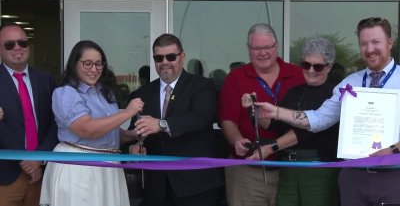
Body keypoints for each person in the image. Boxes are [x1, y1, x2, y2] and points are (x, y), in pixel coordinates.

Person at [252, 17, 400, 206]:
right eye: (364, 43)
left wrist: (393, 150)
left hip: (393, 176)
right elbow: (319, 119)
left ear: (389, 43)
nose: (369, 49)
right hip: (353, 177)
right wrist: (276, 112)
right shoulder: (350, 83)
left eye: (375, 42)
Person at [39, 40, 144, 206]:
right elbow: (86, 129)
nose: (94, 69)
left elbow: (108, 131)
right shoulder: (66, 93)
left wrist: (131, 135)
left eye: (98, 64)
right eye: (87, 64)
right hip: (79, 168)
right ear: (74, 64)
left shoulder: (104, 93)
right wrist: (128, 112)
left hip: (109, 168)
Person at [128, 33, 223, 206]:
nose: (165, 62)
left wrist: (161, 124)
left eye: (171, 56)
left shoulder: (202, 86)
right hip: (157, 189)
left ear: (182, 56)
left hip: (196, 187)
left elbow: (199, 118)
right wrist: (134, 148)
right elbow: (134, 133)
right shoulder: (143, 94)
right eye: (159, 58)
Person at [243, 37, 340, 206]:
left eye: (317, 66)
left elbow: (306, 130)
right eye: (305, 65)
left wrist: (271, 148)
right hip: (287, 165)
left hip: (317, 168)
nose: (310, 70)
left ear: (329, 67)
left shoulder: (334, 94)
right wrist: (254, 110)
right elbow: (274, 126)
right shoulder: (294, 92)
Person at [218, 23, 305, 206]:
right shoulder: (236, 78)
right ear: (249, 50)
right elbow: (227, 119)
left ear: (277, 47)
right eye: (256, 48)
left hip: (291, 168)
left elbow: (311, 120)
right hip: (248, 169)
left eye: (267, 47)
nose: (263, 53)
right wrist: (237, 141)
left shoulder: (298, 74)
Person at [0, 23, 59, 206]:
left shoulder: (46, 79)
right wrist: (24, 160)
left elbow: (57, 123)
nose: (17, 48)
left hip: (40, 174)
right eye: (9, 44)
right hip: (5, 176)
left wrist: (39, 158)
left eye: (22, 43)